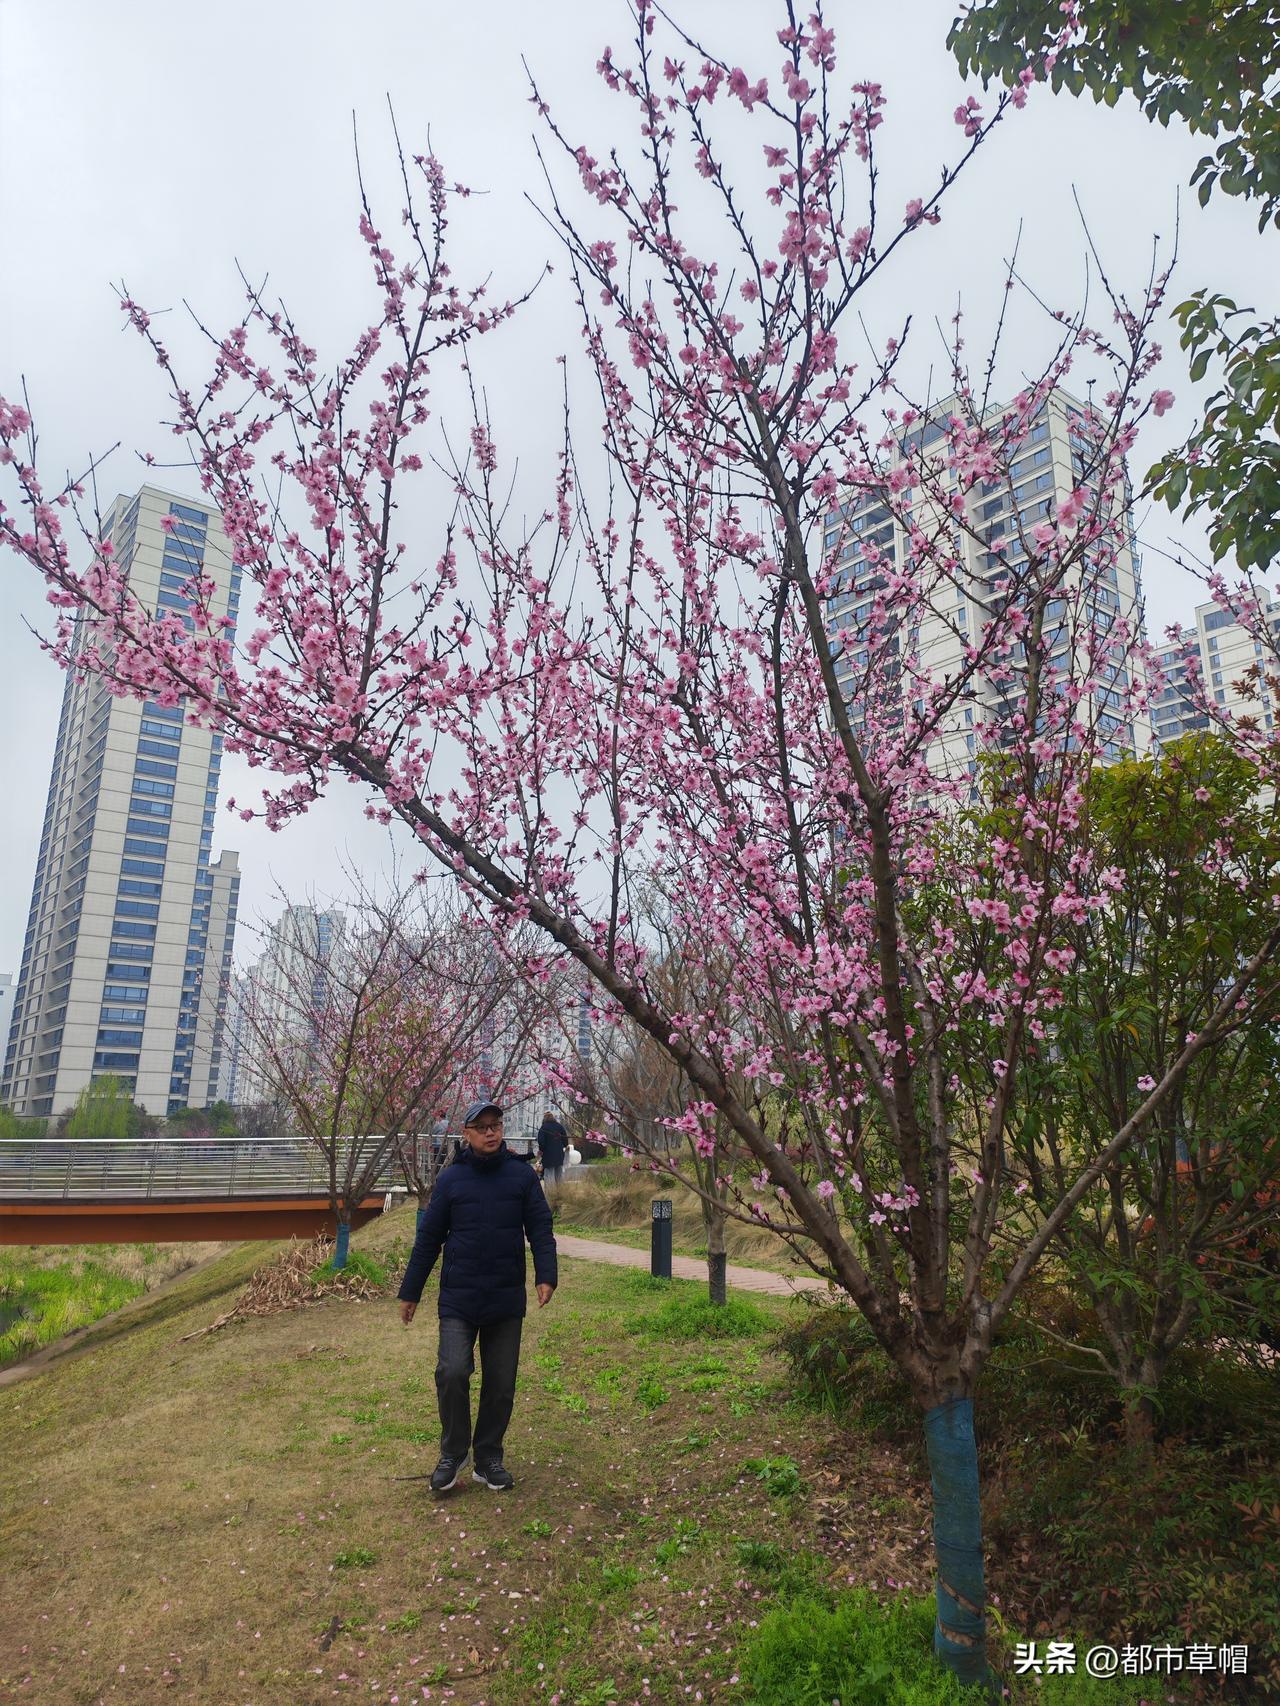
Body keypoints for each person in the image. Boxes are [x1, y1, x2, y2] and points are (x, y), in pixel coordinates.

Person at [398, 1099, 557, 1494]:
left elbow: (540, 1226)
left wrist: (546, 1274)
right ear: (466, 1134)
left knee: (501, 1383)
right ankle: (453, 1452)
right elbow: (429, 1239)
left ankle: (488, 1457)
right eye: (481, 1126)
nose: (491, 1132)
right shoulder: (452, 1180)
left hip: (504, 1297)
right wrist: (411, 1291)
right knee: (451, 1372)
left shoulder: (521, 1176)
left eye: (496, 1124)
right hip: (459, 1297)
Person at [536, 1110, 570, 1187]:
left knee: (549, 1175)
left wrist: (541, 1150)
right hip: (559, 1154)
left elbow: (541, 1142)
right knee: (559, 1174)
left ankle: (550, 1194)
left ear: (544, 1119)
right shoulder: (559, 1126)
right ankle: (559, 1193)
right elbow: (565, 1139)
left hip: (548, 1155)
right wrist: (565, 1146)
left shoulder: (543, 1128)